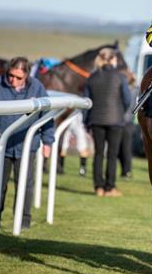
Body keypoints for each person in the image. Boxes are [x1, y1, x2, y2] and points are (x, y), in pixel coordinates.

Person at [0, 57, 54, 229]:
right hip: (1, 146)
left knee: (24, 185)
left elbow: (47, 116)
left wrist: (48, 141)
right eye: (10, 75)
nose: (12, 80)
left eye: (18, 77)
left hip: (27, 146)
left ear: (27, 76)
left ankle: (23, 222)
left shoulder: (37, 87)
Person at [84, 48, 131, 197]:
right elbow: (127, 99)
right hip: (115, 120)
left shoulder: (91, 77)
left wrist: (86, 122)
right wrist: (120, 112)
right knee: (112, 155)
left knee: (98, 154)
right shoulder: (120, 77)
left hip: (96, 119)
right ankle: (110, 187)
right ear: (112, 60)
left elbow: (86, 102)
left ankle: (98, 187)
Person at [118, 76, 139, 178]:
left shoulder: (132, 90)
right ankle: (125, 171)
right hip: (126, 122)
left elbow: (128, 105)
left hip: (126, 122)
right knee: (122, 148)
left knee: (125, 148)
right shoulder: (134, 90)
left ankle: (127, 171)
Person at [59, 111, 90, 176]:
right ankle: (60, 168)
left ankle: (82, 169)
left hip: (78, 122)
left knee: (82, 147)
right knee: (63, 146)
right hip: (69, 122)